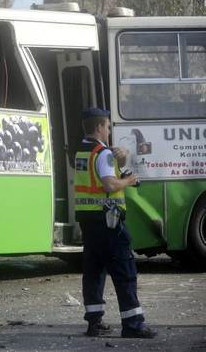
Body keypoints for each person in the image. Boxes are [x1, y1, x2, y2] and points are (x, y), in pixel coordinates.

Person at [74, 107, 156, 339]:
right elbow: (110, 185)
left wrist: (122, 159)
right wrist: (129, 180)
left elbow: (98, 177)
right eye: (108, 126)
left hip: (88, 220)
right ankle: (133, 325)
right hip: (108, 221)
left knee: (94, 271)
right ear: (99, 127)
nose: (109, 130)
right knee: (124, 270)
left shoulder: (83, 151)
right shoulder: (102, 153)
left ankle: (94, 323)